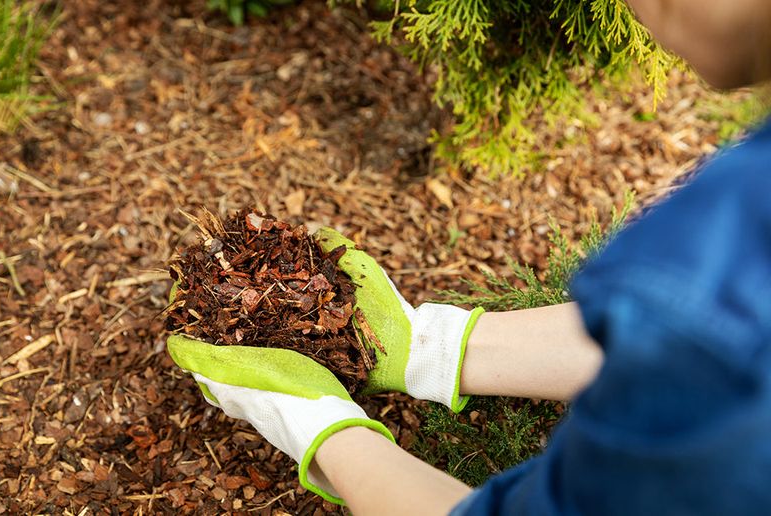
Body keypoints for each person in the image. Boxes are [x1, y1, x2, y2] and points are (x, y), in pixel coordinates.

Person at [167, 1, 771, 513]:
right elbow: (702, 343)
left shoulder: (717, 242)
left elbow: (713, 341)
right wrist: (425, 346)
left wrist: (314, 426)